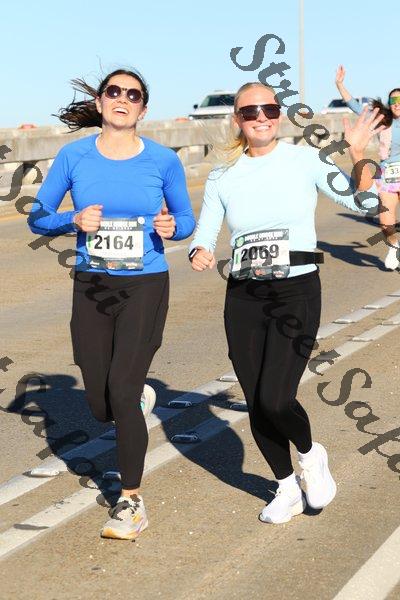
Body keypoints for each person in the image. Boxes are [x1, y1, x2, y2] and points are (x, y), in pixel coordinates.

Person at [189, 82, 383, 524]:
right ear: (237, 119)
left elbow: (364, 201)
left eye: (269, 109)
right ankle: (286, 487)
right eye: (250, 110)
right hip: (244, 294)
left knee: (276, 399)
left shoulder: (305, 160)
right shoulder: (222, 174)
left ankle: (312, 456)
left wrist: (357, 154)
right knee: (256, 399)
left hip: (295, 290)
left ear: (279, 114)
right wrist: (199, 250)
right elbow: (207, 230)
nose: (261, 117)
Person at [28, 68, 195, 539]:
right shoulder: (74, 156)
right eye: (114, 91)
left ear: (143, 108)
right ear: (101, 102)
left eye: (133, 94)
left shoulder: (162, 160)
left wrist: (173, 229)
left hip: (145, 284)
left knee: (120, 391)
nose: (123, 98)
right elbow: (38, 216)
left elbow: (185, 219)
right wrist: (73, 219)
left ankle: (130, 501)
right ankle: (136, 400)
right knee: (100, 402)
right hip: (92, 285)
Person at [336, 65, 400, 269]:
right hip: (389, 175)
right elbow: (357, 108)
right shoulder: (383, 120)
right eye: (393, 101)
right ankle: (394, 248)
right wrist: (340, 85)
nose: (397, 104)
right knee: (386, 222)